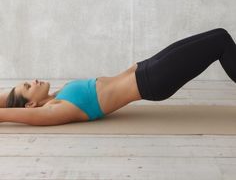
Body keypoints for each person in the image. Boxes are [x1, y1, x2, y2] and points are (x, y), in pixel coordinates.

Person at [0, 27, 235, 126]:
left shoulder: (58, 96)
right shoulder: (56, 109)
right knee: (220, 42)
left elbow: (6, 99)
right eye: (28, 87)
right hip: (152, 80)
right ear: (31, 103)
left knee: (218, 34)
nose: (33, 81)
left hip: (146, 68)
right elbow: (10, 113)